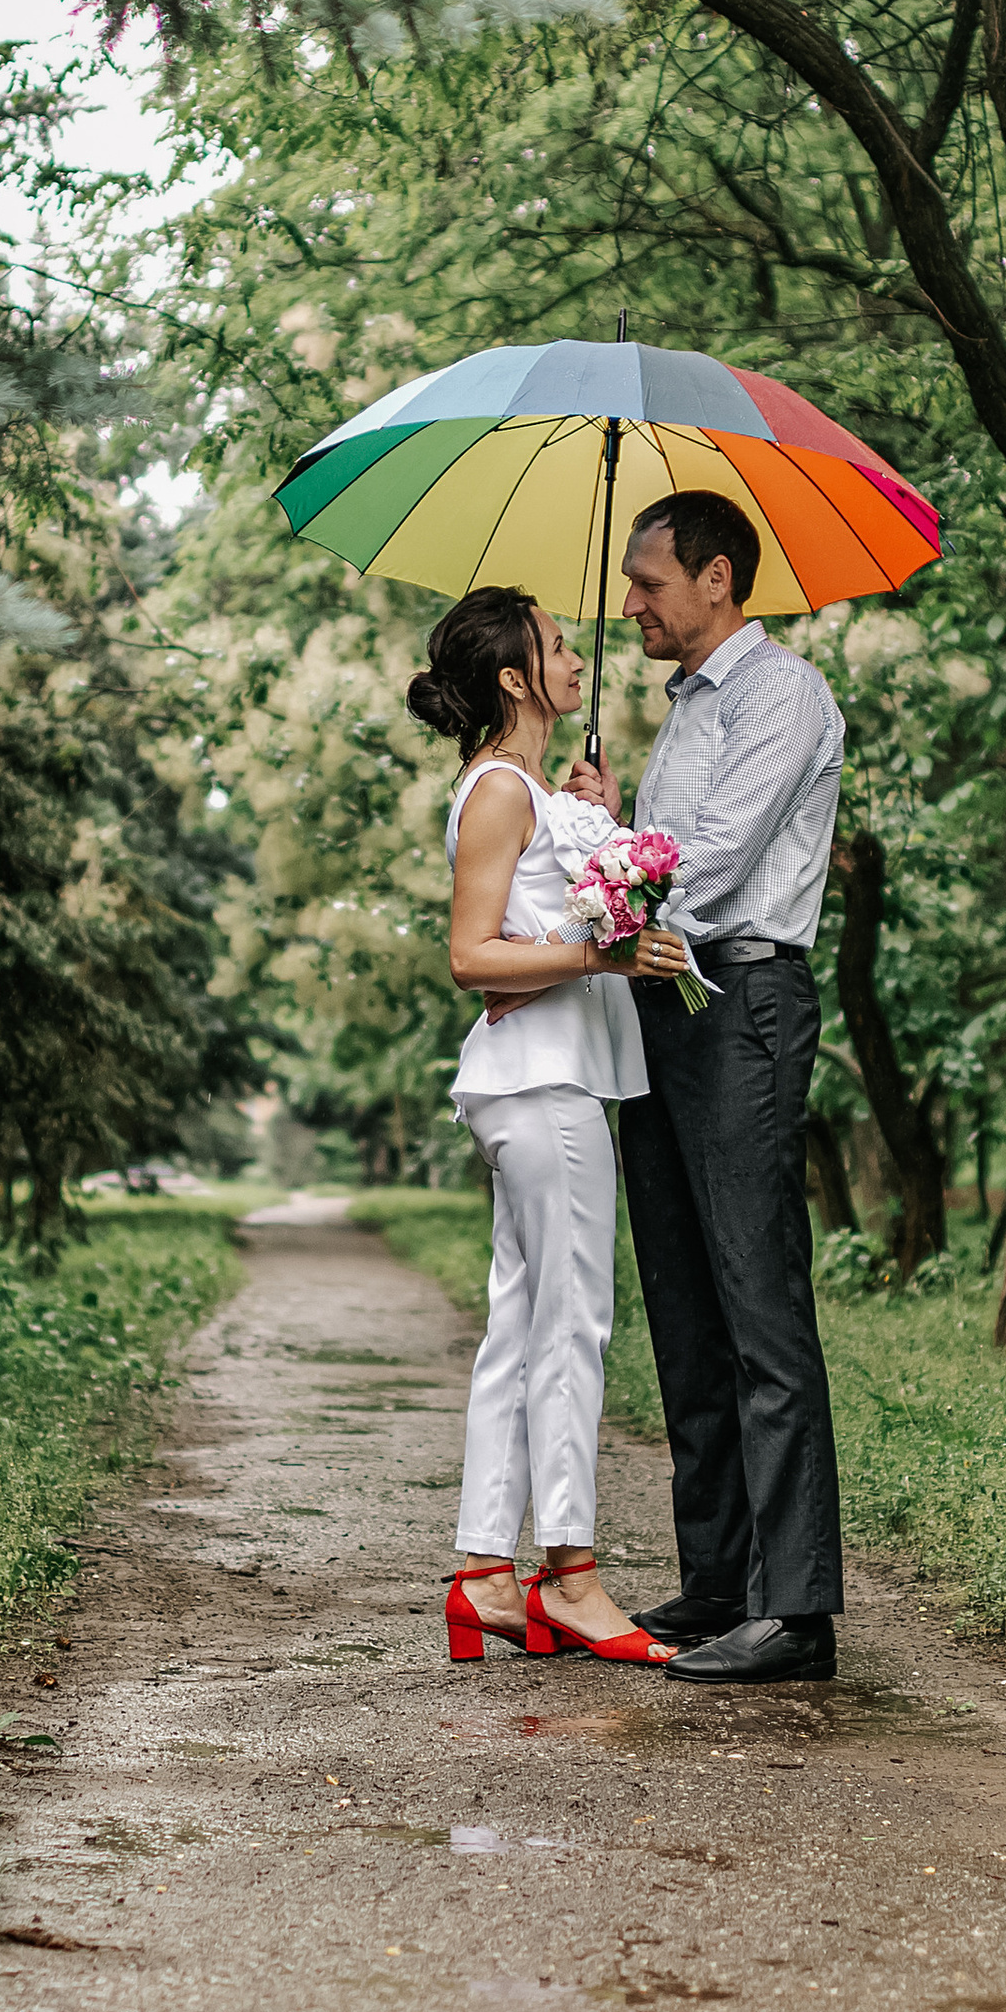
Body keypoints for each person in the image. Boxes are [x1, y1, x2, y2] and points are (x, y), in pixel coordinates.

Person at [408, 586, 692, 1666]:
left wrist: (598, 820)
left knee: (522, 1329)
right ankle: (568, 1573)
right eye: (558, 645)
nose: (577, 655)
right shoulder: (494, 792)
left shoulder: (534, 790)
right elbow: (473, 957)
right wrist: (600, 954)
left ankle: (484, 1573)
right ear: (515, 679)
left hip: (545, 1080)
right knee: (573, 1324)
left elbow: (546, 915)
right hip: (540, 1084)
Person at [597, 492, 847, 1686]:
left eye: (649, 582)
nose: (632, 603)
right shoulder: (682, 709)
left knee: (757, 1302)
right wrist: (606, 832)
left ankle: (794, 1613)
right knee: (685, 1303)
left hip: (741, 1001)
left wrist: (618, 894)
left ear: (716, 579)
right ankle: (716, 1581)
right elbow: (662, 864)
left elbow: (714, 861)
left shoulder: (780, 695)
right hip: (661, 1001)